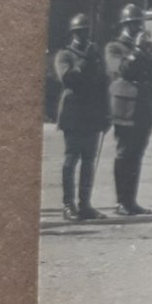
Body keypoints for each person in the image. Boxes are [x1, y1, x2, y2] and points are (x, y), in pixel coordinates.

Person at [105, 3, 152, 216]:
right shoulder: (114, 47)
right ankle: (121, 201)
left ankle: (131, 200)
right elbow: (123, 70)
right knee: (124, 153)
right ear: (124, 25)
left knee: (137, 154)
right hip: (124, 109)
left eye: (138, 23)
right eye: (132, 24)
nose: (137, 27)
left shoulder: (148, 46)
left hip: (143, 108)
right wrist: (137, 50)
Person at [54, 13, 110, 221]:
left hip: (92, 113)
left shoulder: (94, 53)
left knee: (88, 161)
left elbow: (103, 83)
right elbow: (69, 78)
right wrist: (87, 59)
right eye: (79, 32)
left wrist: (106, 114)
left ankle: (85, 204)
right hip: (73, 114)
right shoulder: (64, 55)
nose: (84, 35)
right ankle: (68, 205)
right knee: (71, 159)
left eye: (86, 32)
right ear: (73, 34)